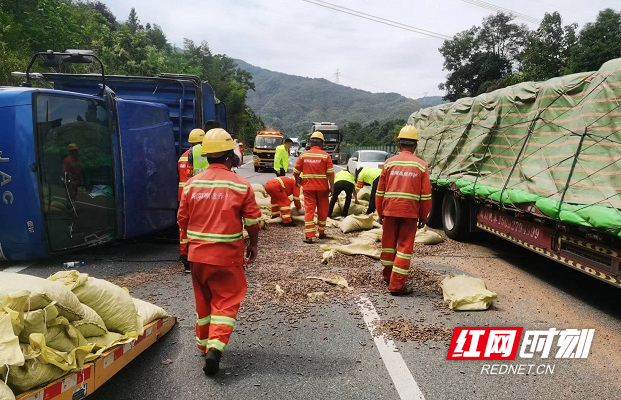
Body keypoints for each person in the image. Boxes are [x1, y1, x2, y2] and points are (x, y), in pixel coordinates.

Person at [178, 128, 261, 376]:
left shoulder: (192, 185)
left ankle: (203, 345)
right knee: (226, 301)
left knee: (203, 301)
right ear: (230, 157)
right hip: (227, 257)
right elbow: (253, 221)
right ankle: (215, 347)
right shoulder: (240, 185)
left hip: (197, 256)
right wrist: (253, 244)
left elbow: (182, 220)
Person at [376, 125, 432, 296]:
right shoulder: (421, 166)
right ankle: (396, 286)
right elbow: (426, 196)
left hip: (390, 211)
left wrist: (380, 213)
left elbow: (379, 192)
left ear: (399, 144)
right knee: (404, 249)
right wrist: (423, 216)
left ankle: (388, 276)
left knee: (388, 246)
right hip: (410, 213)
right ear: (415, 146)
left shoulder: (388, 163)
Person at [293, 131, 334, 243]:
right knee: (323, 210)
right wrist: (332, 187)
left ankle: (309, 236)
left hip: (308, 188)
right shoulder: (326, 156)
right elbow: (330, 173)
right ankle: (321, 233)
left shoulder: (304, 155)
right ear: (322, 144)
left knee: (309, 211)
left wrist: (297, 181)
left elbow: (296, 171)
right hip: (323, 189)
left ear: (311, 143)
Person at [178, 128, 205, 273]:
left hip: (183, 195)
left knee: (184, 227)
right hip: (198, 195)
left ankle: (185, 257)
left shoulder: (183, 156)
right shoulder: (205, 154)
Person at [63, 143, 82, 216]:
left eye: (76, 150)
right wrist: (71, 181)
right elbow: (66, 172)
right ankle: (70, 211)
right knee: (70, 195)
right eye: (74, 150)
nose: (75, 152)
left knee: (74, 194)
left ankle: (72, 209)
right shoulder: (67, 160)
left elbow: (79, 169)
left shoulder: (77, 159)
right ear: (70, 151)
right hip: (70, 180)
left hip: (76, 179)